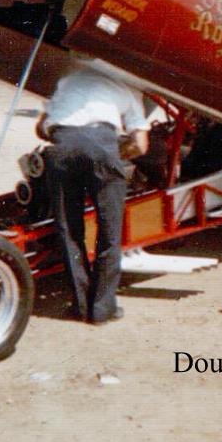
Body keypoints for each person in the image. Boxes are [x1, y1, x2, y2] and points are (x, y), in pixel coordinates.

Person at [39, 59, 149, 324]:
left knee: (68, 230)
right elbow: (141, 145)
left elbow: (41, 128)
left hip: (62, 145)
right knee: (109, 231)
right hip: (102, 144)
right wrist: (116, 153)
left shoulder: (69, 78)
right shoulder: (131, 85)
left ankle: (80, 306)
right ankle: (102, 309)